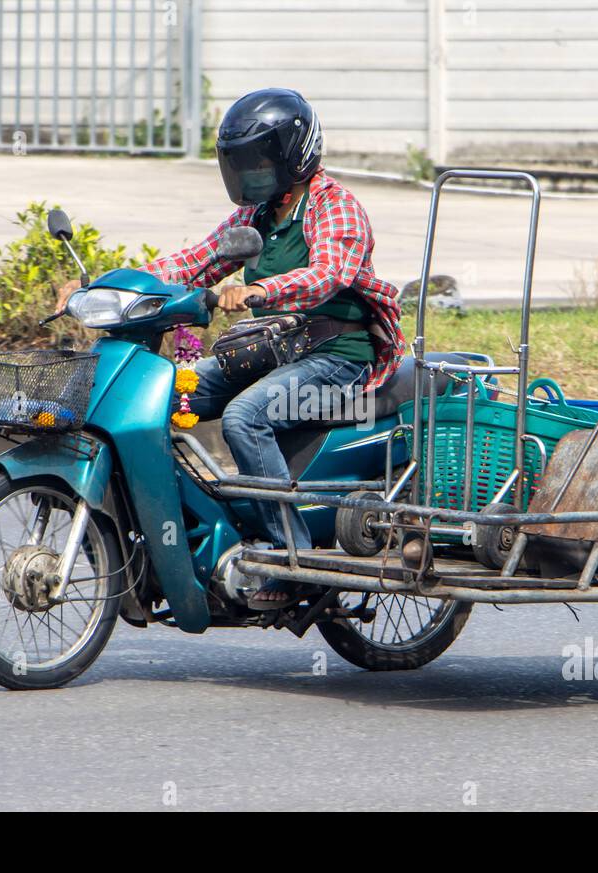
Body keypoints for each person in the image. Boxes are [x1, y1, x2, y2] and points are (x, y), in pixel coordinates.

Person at [59, 88, 405, 609]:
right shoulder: (257, 215)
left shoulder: (336, 207)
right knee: (158, 395)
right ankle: (182, 527)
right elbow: (191, 262)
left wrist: (262, 290)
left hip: (338, 359)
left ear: (293, 155)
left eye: (261, 160)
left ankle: (295, 559)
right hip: (273, 350)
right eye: (244, 162)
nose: (252, 172)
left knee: (246, 417)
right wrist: (103, 289)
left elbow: (329, 274)